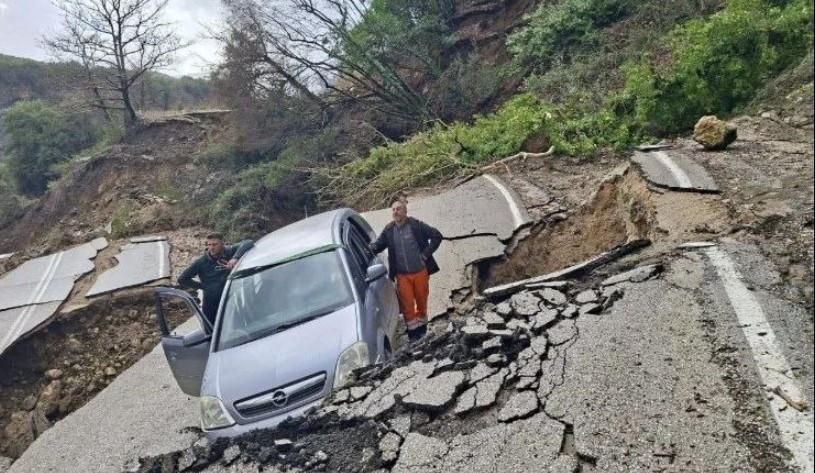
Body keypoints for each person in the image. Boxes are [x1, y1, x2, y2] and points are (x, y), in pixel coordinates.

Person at [370, 196, 443, 341]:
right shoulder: (389, 230)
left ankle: (423, 333)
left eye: (398, 209)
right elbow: (377, 245)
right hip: (402, 276)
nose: (395, 212)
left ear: (405, 211)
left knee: (422, 304)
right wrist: (369, 249)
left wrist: (425, 255)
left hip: (420, 272)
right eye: (393, 210)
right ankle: (414, 338)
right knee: (408, 308)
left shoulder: (416, 225)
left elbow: (437, 236)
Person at [178, 232, 254, 326]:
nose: (211, 248)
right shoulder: (201, 262)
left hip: (231, 299)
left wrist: (235, 258)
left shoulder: (230, 251)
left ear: (222, 243)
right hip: (212, 303)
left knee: (237, 326)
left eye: (214, 244)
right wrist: (204, 286)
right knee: (212, 330)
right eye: (209, 244)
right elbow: (182, 279)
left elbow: (248, 242)